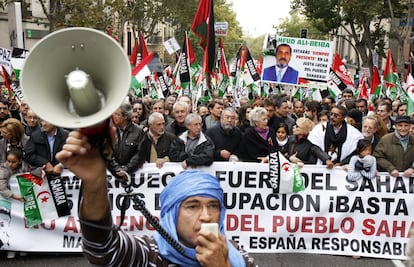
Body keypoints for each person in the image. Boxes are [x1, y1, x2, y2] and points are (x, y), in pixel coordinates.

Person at [55, 131, 256, 266]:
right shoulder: (150, 253)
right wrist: (95, 183)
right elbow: (103, 249)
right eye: (192, 206)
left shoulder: (235, 254)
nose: (205, 216)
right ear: (172, 213)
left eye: (213, 206)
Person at [107, 101, 144, 177]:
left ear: (125, 116)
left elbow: (139, 154)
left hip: (132, 173)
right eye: (113, 114)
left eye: (117, 114)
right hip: (114, 174)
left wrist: (126, 169)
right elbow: (107, 152)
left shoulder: (139, 131)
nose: (114, 117)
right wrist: (116, 169)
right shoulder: (110, 130)